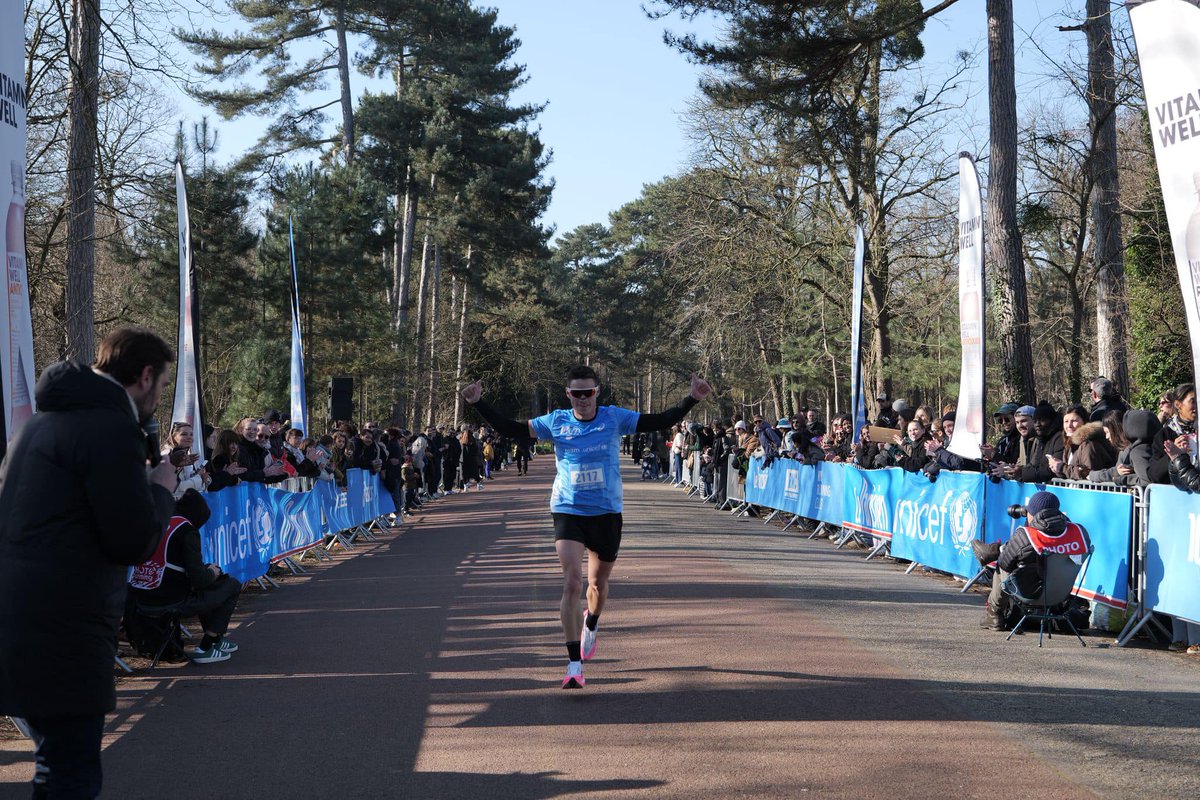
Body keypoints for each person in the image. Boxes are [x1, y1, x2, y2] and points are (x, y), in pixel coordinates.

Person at [0, 326, 179, 798]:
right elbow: (133, 540)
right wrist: (160, 488)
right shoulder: (108, 427)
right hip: (63, 623)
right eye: (161, 387)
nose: (158, 401)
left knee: (55, 764)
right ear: (144, 376)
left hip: (25, 615)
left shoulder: (42, 421)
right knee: (70, 773)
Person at [462, 365, 712, 689]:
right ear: (569, 395)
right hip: (568, 509)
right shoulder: (556, 422)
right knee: (572, 583)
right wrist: (479, 403)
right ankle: (573, 663)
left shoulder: (613, 418)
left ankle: (591, 622)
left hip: (606, 512)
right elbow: (511, 429)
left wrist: (691, 398)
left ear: (597, 393)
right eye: (576, 394)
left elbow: (658, 421)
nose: (582, 399)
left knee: (597, 584)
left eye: (588, 393)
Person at [128, 489, 243, 663]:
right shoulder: (187, 531)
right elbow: (200, 579)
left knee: (213, 582)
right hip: (169, 601)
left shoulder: (155, 523)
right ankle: (207, 645)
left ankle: (217, 639)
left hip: (139, 599)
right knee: (231, 584)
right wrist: (212, 571)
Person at [979, 490, 1091, 630]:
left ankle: (994, 615)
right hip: (1061, 594)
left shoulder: (1025, 536)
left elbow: (1004, 564)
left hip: (1031, 594)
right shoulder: (1079, 532)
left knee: (1001, 566)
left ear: (1031, 514)